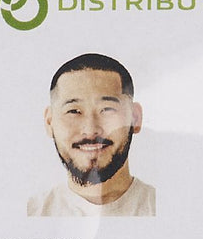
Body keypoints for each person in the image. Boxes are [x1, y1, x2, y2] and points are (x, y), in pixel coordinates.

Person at [28, 53, 156, 217]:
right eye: (74, 111)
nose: (90, 130)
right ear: (49, 122)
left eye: (107, 109)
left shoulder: (173, 210)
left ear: (135, 118)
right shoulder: (29, 215)